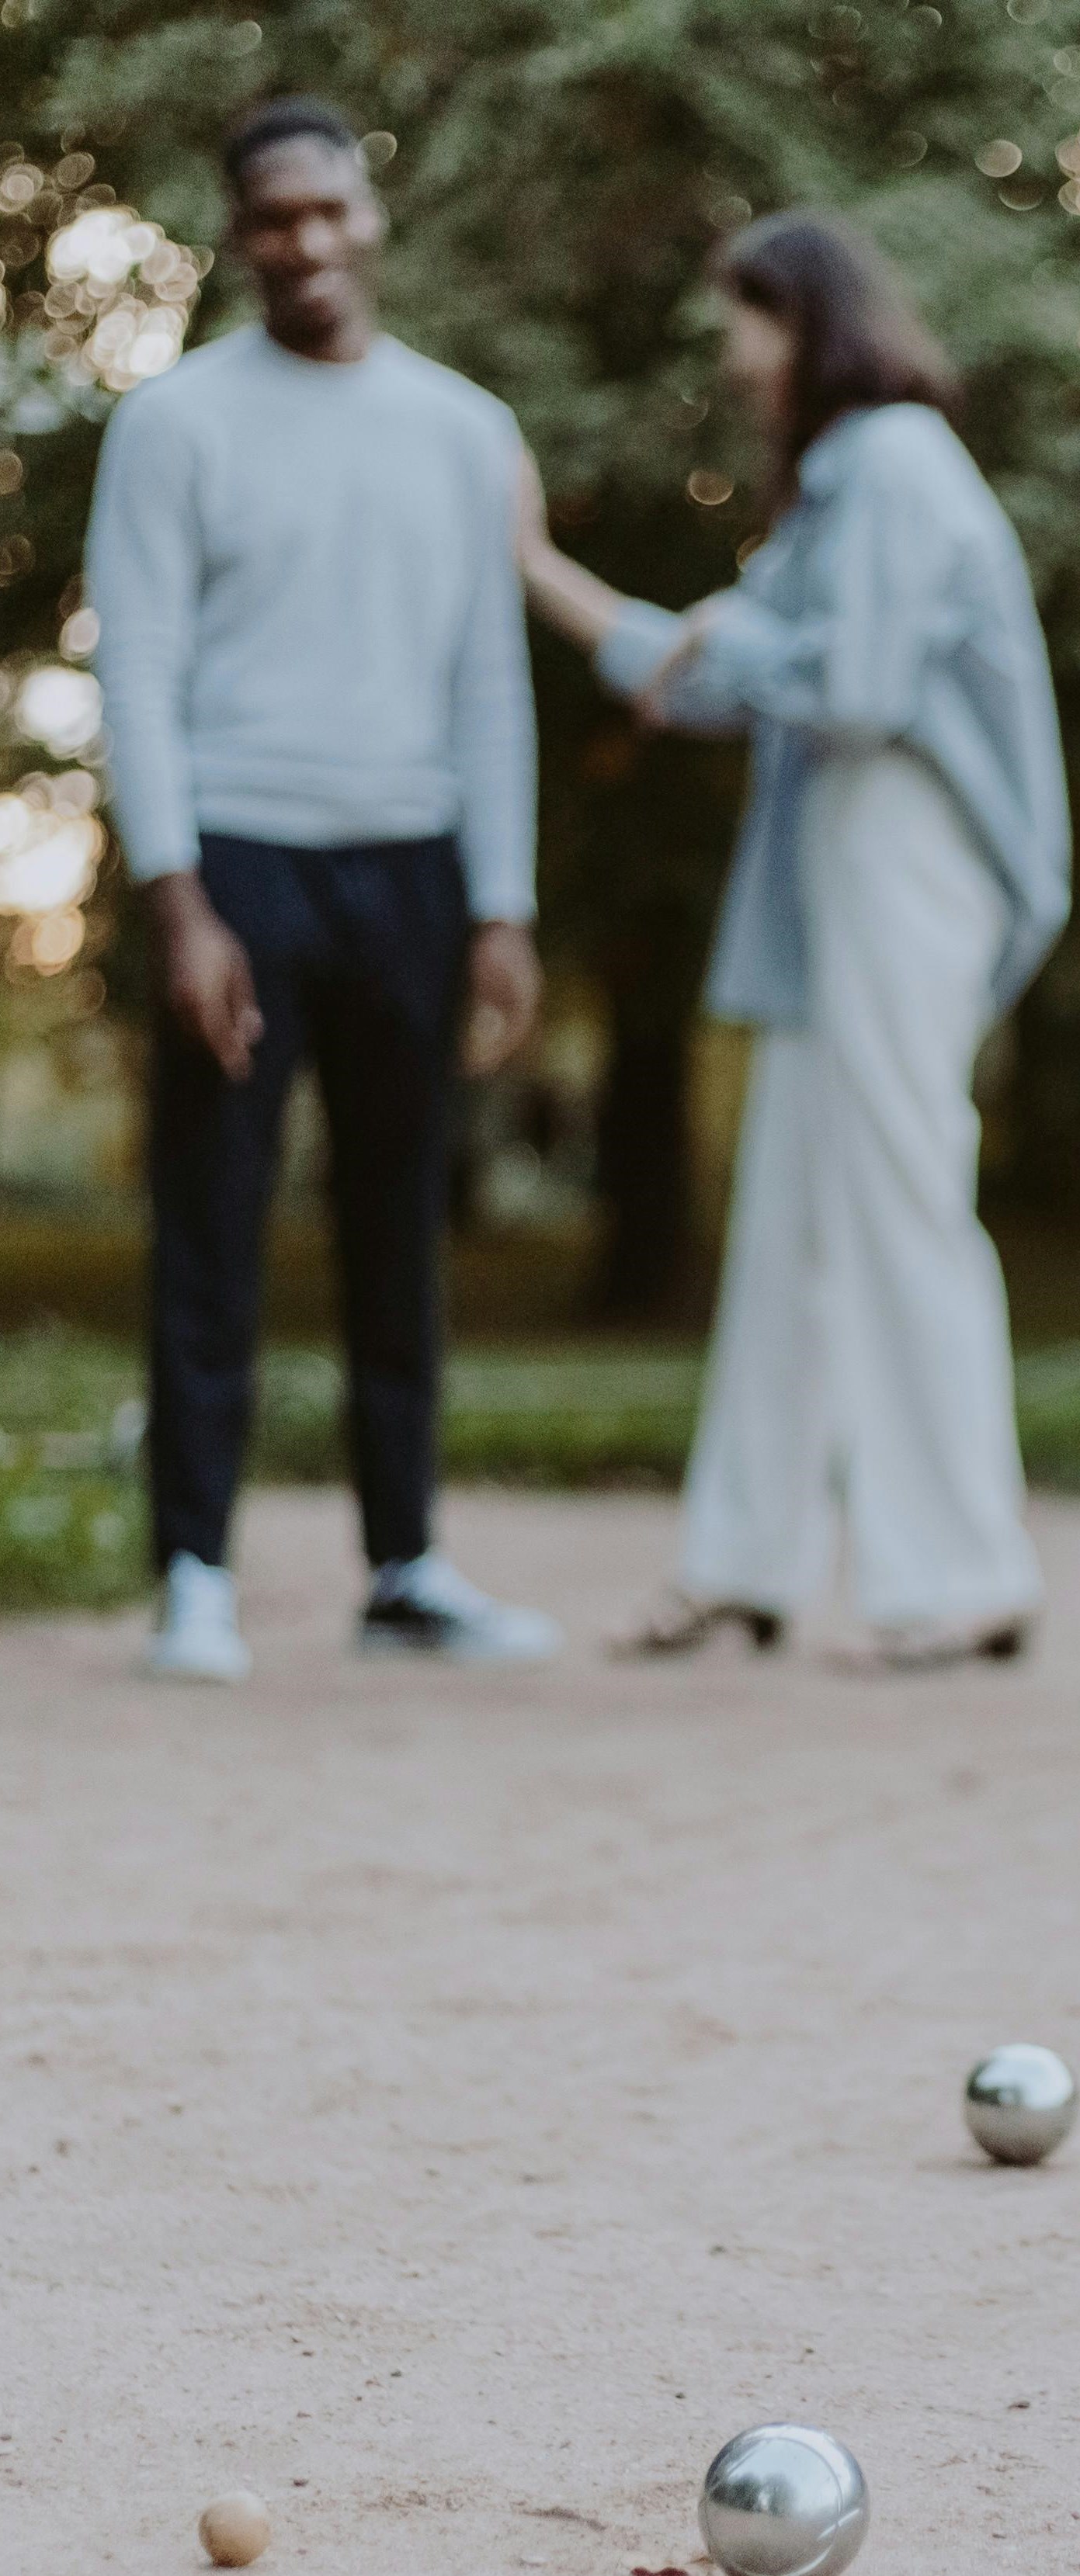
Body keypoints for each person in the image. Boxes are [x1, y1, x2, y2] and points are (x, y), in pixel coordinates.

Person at [519, 211, 1069, 1667]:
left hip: (905, 851)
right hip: (845, 864)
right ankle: (743, 1556)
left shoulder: (891, 464)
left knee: (898, 1202)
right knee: (791, 1222)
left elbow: (862, 689)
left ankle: (964, 1568)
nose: (733, 361)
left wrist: (718, 636)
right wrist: (539, 570)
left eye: (745, 328)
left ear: (806, 323)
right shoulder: (839, 493)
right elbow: (703, 680)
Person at [88, 97, 561, 1680]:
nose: (300, 241)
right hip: (239, 860)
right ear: (239, 236)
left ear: (370, 215)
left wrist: (503, 906)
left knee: (398, 1222)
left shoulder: (468, 428)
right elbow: (137, 670)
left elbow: (492, 679)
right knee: (214, 1217)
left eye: (323, 210)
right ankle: (197, 1576)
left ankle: (406, 1566)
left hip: (414, 870)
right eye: (268, 218)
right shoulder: (176, 424)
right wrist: (179, 902)